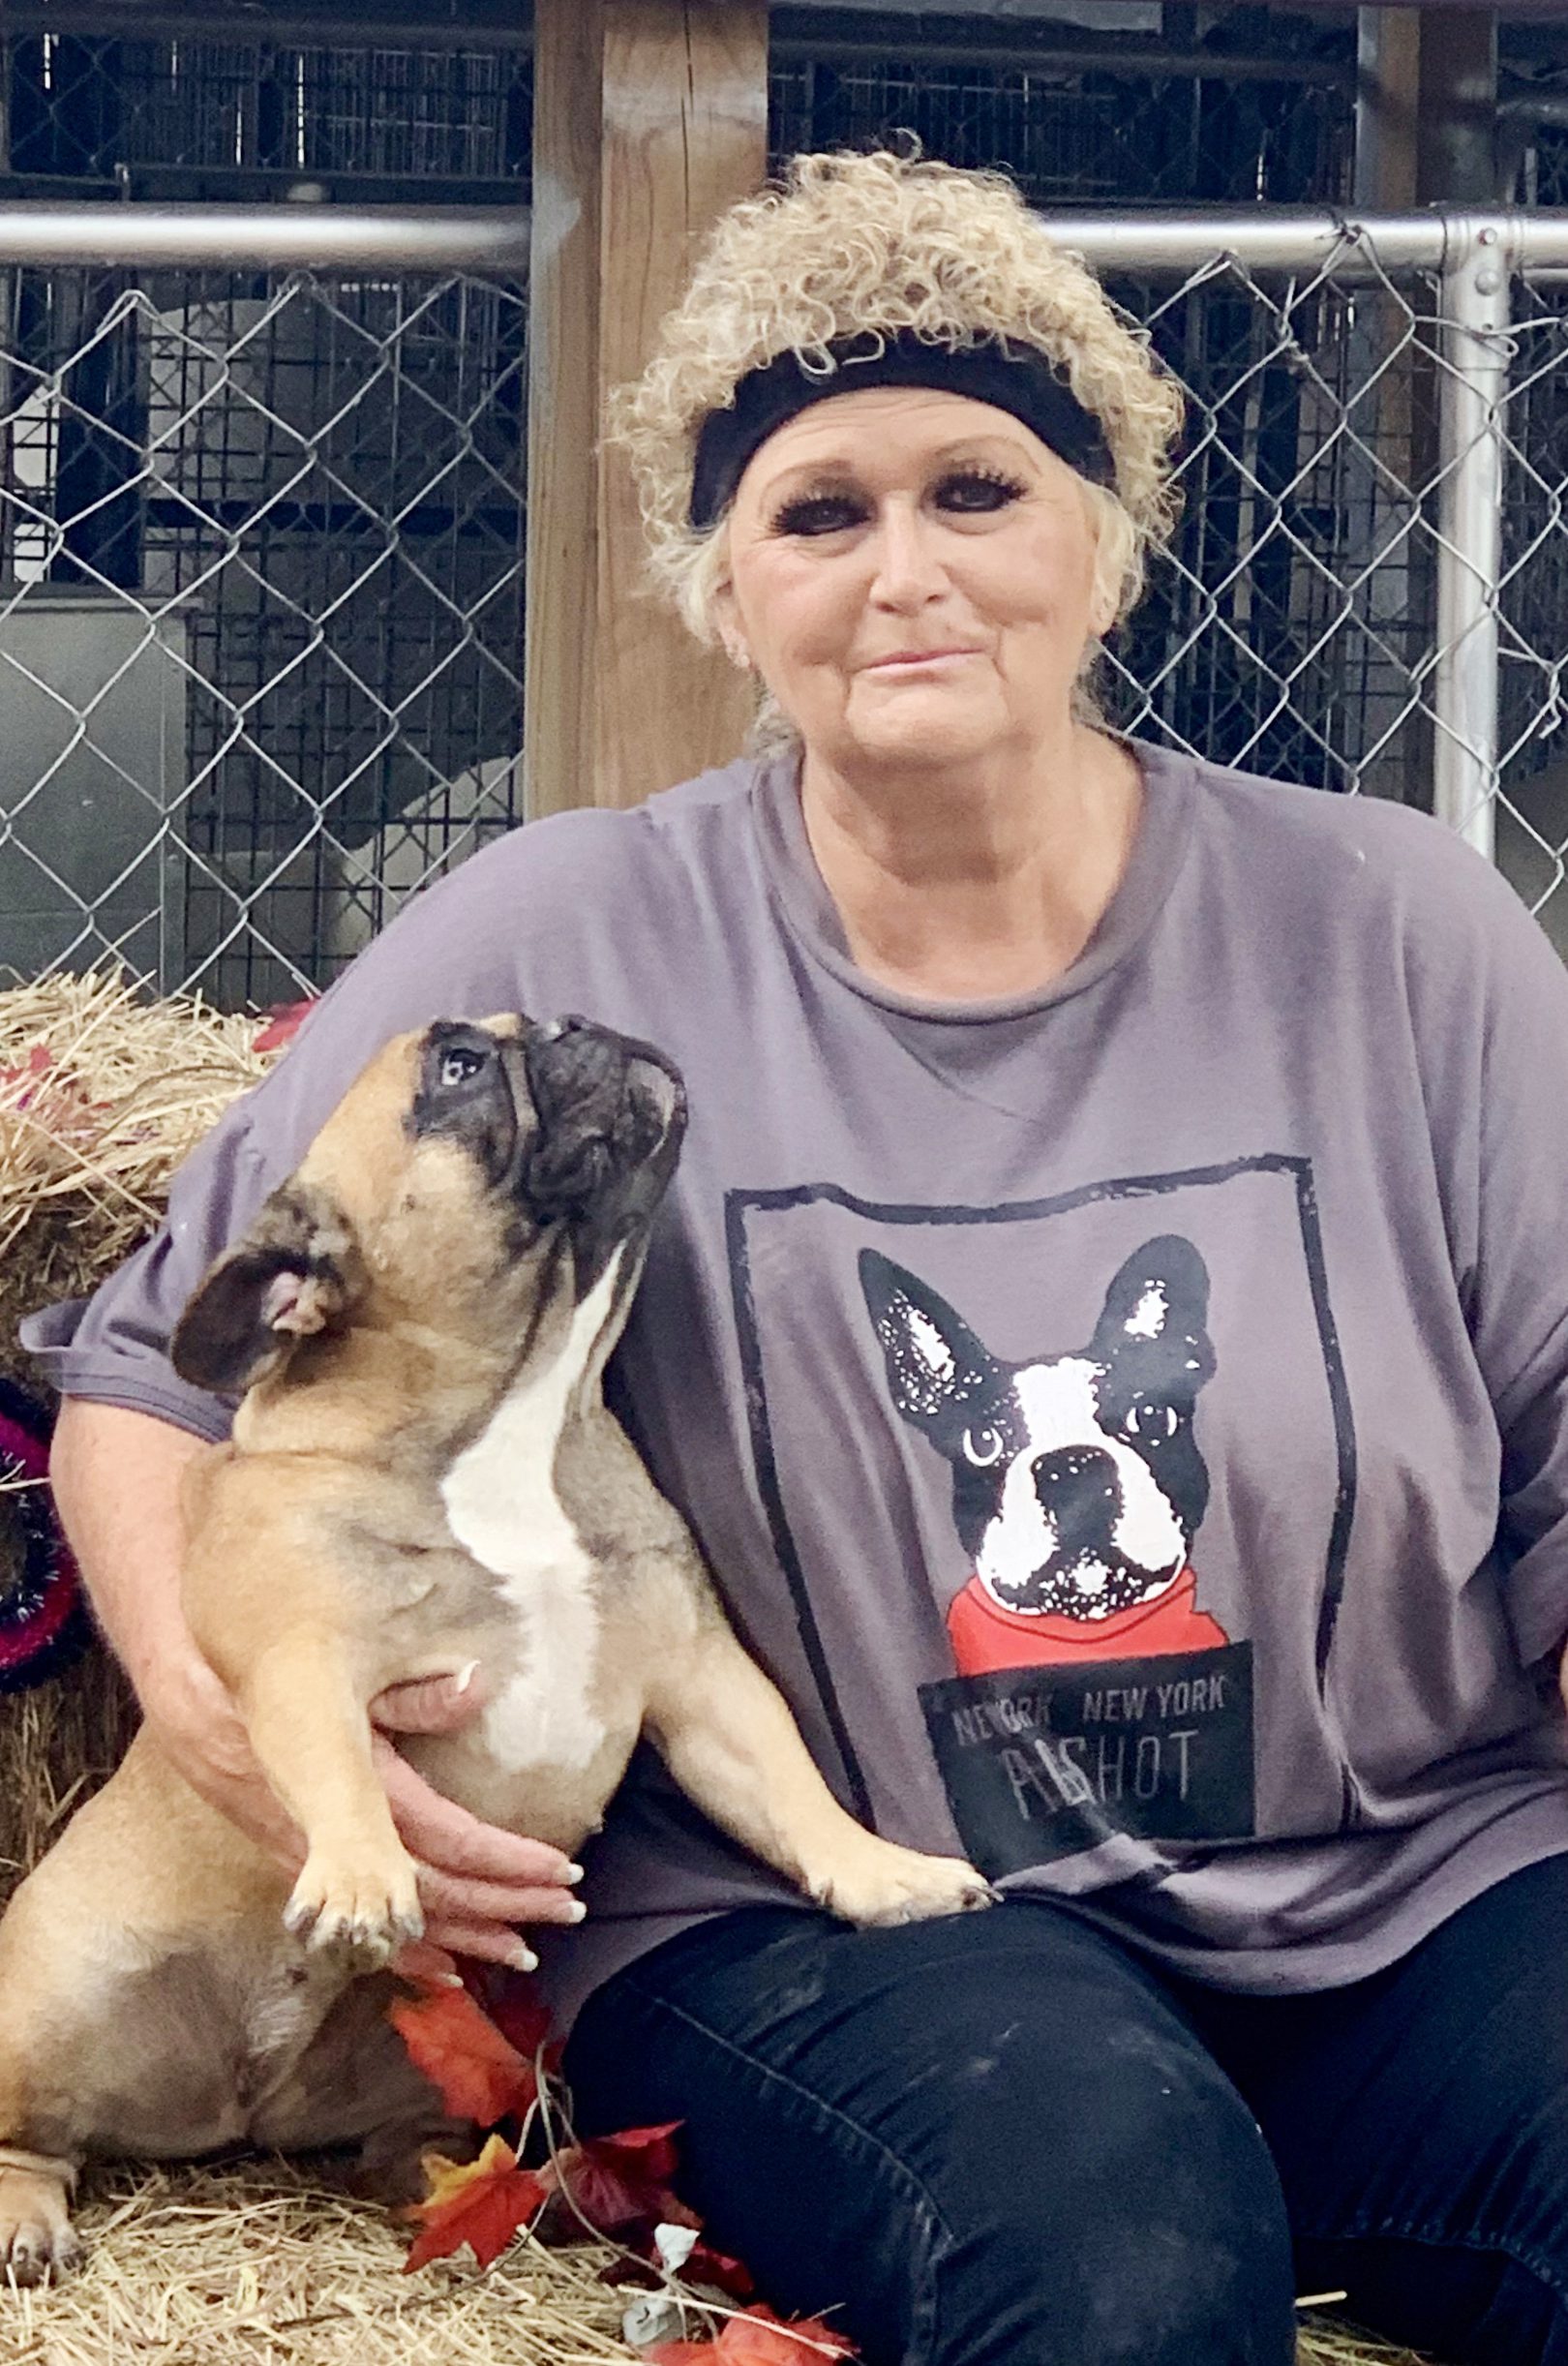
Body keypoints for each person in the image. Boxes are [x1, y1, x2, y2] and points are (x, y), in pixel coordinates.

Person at [23, 148, 1568, 2366]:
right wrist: (246, 1738)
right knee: (1119, 2278)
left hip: (1415, 1883)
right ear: (723, 586)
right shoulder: (559, 940)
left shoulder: (1399, 928)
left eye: (979, 489)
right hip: (830, 1918)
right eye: (817, 514)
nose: (902, 571)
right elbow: (160, 1381)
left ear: (1112, 534)